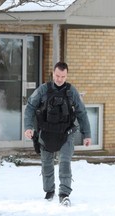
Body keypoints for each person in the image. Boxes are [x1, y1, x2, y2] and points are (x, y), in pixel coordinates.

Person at [24, 62, 91, 205]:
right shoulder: (43, 90)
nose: (60, 79)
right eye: (57, 75)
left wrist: (87, 134)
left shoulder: (71, 91)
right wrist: (28, 127)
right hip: (46, 133)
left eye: (63, 76)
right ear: (53, 74)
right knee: (47, 164)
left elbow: (81, 112)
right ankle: (49, 191)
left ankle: (64, 193)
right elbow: (30, 107)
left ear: (67, 75)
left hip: (66, 134)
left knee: (65, 162)